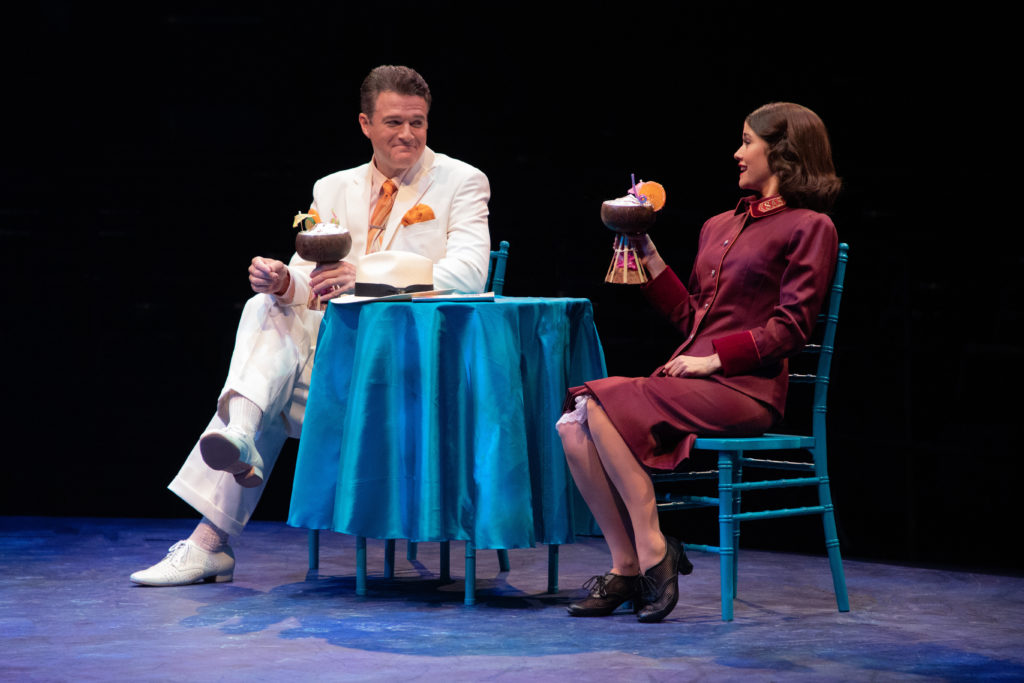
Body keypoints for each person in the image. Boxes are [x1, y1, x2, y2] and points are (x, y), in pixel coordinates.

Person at [131, 65, 491, 586]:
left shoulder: (462, 181)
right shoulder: (333, 188)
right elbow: (311, 288)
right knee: (263, 308)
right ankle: (237, 446)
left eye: (418, 122)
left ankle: (215, 527)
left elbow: (466, 274)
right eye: (393, 122)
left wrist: (360, 276)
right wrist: (281, 281)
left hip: (411, 373)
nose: (407, 134)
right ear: (365, 123)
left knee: (268, 388)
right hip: (335, 369)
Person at [556, 102, 841, 622]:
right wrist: (645, 251)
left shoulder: (810, 226)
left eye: (747, 141)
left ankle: (653, 551)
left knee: (596, 400)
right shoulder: (718, 225)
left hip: (746, 390)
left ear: (780, 151)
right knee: (571, 428)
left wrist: (713, 362)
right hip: (695, 381)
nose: (737, 153)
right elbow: (693, 316)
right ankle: (628, 564)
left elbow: (792, 327)